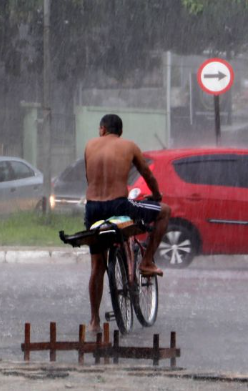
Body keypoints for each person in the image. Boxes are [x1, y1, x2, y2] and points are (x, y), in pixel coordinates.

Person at [84, 113, 170, 333]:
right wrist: (157, 194)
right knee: (165, 212)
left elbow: (89, 178)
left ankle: (94, 320)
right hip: (119, 206)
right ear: (119, 132)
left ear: (102, 129)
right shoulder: (128, 146)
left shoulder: (89, 146)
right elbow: (147, 174)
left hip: (93, 209)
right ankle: (147, 261)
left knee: (97, 266)